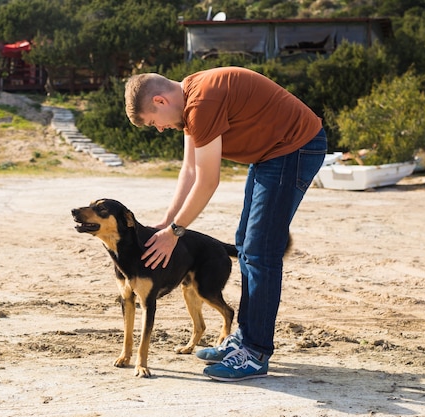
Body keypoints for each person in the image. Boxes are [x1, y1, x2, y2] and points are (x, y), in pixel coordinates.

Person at [124, 66, 327, 382]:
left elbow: (207, 181)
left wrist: (175, 233)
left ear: (161, 101)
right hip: (271, 154)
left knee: (260, 251)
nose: (160, 129)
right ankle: (245, 340)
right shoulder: (190, 99)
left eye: (154, 122)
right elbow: (189, 171)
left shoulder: (201, 103)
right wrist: (166, 222)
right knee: (246, 243)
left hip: (294, 147)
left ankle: (255, 352)